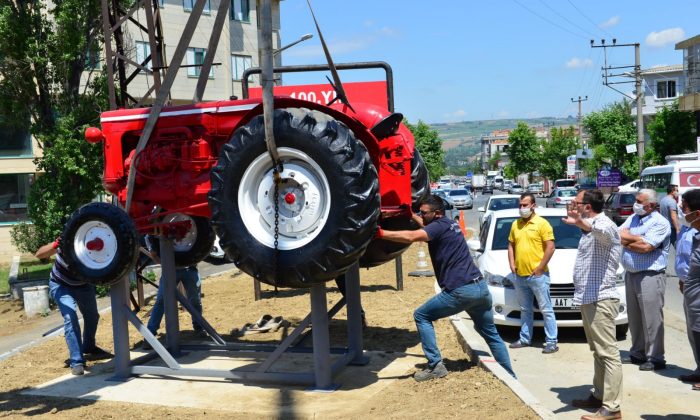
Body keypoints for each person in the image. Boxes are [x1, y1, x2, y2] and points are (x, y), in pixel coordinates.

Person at [378, 194, 515, 381]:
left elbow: (412, 236)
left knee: (422, 315)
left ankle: (435, 366)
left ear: (437, 213)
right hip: (480, 288)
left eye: (424, 212)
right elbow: (428, 228)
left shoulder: (438, 226)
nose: (422, 215)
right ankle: (510, 376)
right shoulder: (449, 224)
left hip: (461, 291)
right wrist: (411, 214)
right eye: (420, 212)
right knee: (490, 334)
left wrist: (381, 233)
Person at [563, 190, 623, 420]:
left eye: (577, 203)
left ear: (588, 207)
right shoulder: (589, 226)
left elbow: (605, 233)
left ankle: (612, 407)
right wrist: (580, 223)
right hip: (589, 298)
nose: (574, 206)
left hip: (601, 298)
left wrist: (582, 223)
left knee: (608, 353)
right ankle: (599, 395)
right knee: (598, 351)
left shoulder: (605, 224)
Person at [35, 237, 112, 376]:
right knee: (70, 318)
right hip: (61, 285)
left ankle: (89, 347)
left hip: (83, 285)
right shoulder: (67, 241)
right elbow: (39, 254)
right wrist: (55, 244)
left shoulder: (91, 247)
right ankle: (77, 361)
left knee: (92, 316)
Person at [618, 189, 671, 371]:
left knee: (651, 317)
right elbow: (618, 234)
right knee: (634, 317)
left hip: (650, 274)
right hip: (631, 273)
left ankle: (655, 357)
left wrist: (628, 239)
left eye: (640, 201)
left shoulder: (660, 222)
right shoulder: (633, 218)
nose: (636, 204)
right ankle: (638, 352)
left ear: (651, 205)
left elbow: (646, 247)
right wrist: (636, 240)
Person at [507, 192, 558, 353]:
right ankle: (524, 338)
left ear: (533, 206)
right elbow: (511, 245)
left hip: (538, 276)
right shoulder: (516, 224)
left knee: (546, 310)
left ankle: (551, 341)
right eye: (520, 205)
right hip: (520, 275)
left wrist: (541, 267)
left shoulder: (542, 224)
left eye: (525, 205)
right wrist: (512, 263)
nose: (522, 208)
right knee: (525, 309)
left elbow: (550, 247)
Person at [143, 241, 205, 341]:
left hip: (188, 268)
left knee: (194, 300)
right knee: (161, 300)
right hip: (174, 269)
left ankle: (199, 327)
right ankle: (150, 333)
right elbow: (154, 254)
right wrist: (166, 264)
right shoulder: (151, 236)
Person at [677, 189, 700, 388]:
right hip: (690, 291)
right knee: (694, 334)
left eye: (685, 208)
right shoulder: (691, 231)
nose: (682, 212)